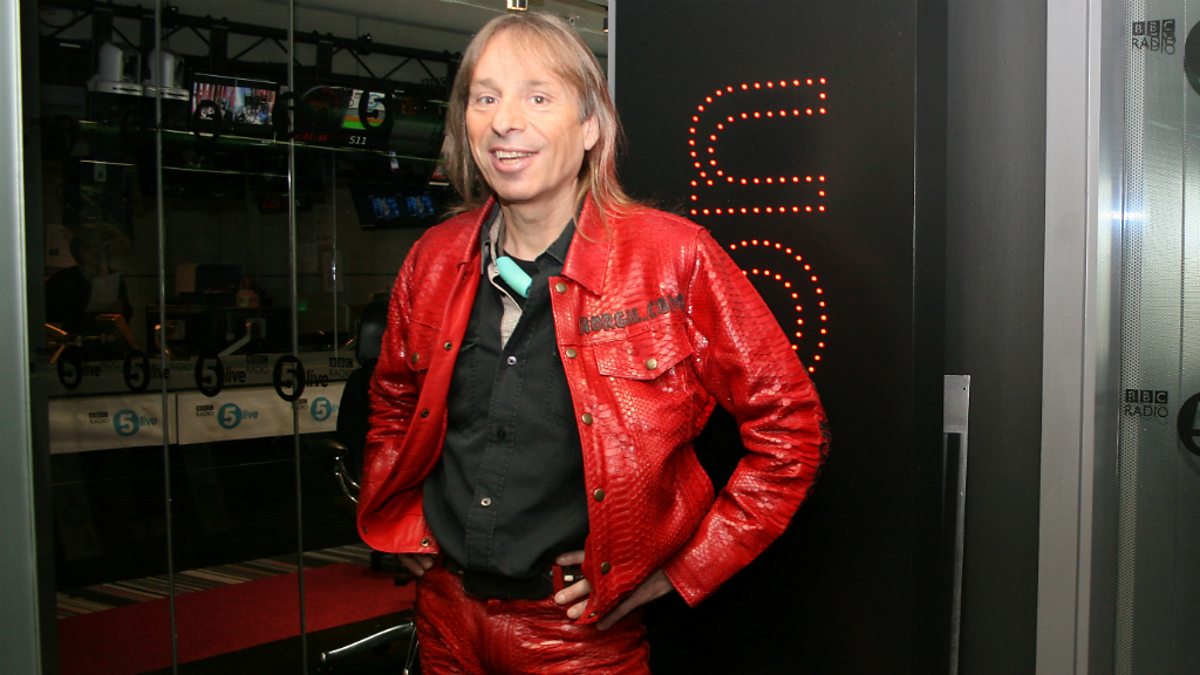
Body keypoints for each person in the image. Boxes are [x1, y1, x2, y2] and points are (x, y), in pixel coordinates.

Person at [357, 12, 830, 673]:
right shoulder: (433, 259)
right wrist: (399, 511)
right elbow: (394, 400)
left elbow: (792, 431)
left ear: (590, 128)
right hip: (443, 622)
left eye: (538, 97)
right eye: (485, 98)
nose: (504, 121)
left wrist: (682, 570)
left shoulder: (674, 258)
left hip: (577, 638)